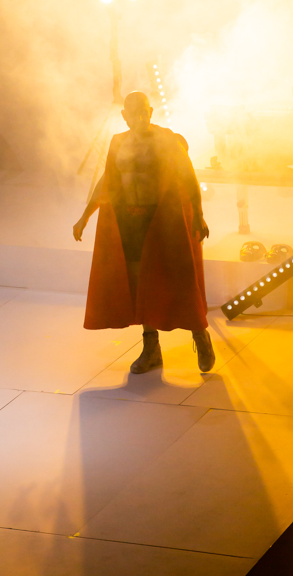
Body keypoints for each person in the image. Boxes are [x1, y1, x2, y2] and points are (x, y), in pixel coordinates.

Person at [73, 90, 215, 374]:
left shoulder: (167, 140)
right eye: (133, 113)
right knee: (139, 283)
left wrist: (198, 215)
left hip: (163, 219)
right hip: (130, 220)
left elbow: (188, 176)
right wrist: (85, 215)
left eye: (143, 112)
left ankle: (200, 334)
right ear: (124, 115)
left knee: (180, 278)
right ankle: (151, 347)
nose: (139, 118)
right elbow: (108, 180)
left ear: (150, 113)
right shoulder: (118, 142)